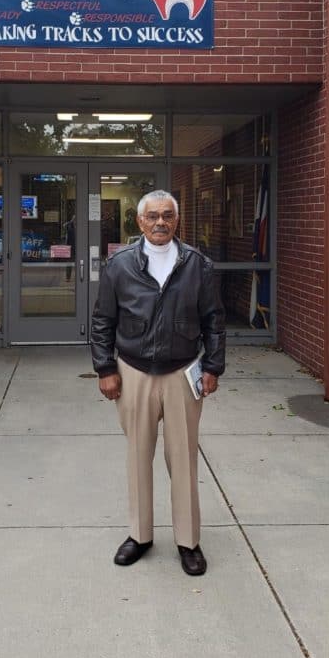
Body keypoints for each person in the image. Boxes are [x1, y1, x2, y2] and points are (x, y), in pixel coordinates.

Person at [91, 190, 225, 576]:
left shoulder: (198, 266)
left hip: (183, 371)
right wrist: (105, 369)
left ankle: (188, 541)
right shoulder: (119, 265)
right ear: (140, 222)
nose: (161, 222)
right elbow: (103, 322)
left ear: (177, 221)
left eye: (168, 215)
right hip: (133, 371)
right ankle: (140, 535)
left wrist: (213, 366)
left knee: (182, 459)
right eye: (153, 216)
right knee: (138, 457)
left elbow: (214, 321)